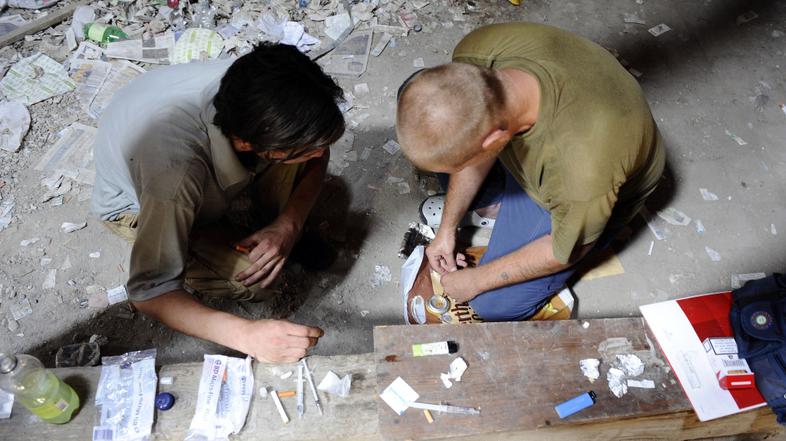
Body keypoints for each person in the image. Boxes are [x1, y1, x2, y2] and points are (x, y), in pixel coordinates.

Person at [92, 43, 345, 362]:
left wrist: (289, 224)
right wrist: (248, 336)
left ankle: (270, 222)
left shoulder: (257, 90)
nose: (321, 155)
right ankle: (217, 231)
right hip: (139, 203)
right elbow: (149, 292)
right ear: (246, 144)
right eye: (309, 149)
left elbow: (317, 147)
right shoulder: (174, 176)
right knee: (254, 278)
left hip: (154, 119)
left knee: (304, 148)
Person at [396, 22, 666, 321]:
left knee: (492, 304)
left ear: (495, 141)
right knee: (430, 116)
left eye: (460, 166)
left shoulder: (581, 172)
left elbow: (567, 251)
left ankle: (503, 209)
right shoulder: (478, 51)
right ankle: (495, 205)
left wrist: (477, 280)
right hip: (536, 143)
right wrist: (447, 230)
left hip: (576, 191)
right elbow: (476, 124)